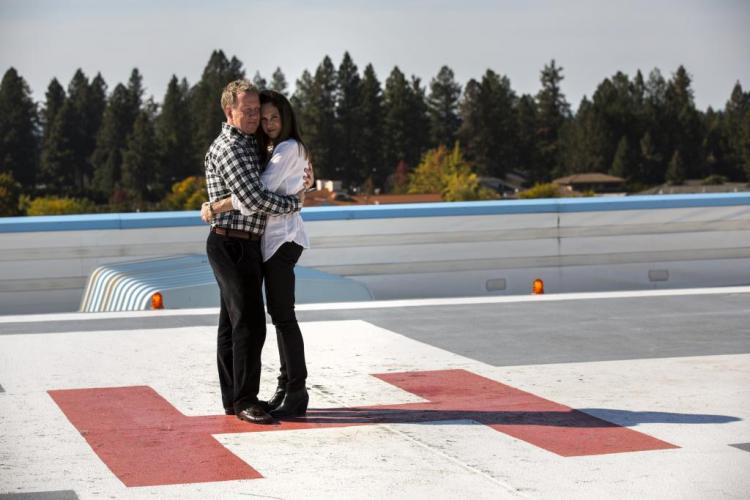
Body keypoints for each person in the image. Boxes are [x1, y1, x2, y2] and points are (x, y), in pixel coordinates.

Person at [203, 80, 307, 425]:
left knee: (232, 325)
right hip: (232, 242)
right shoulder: (232, 147)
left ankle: (235, 398)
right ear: (228, 111)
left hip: (244, 242)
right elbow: (253, 199)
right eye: (247, 111)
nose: (253, 117)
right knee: (248, 324)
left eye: (256, 112)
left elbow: (282, 173)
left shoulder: (251, 143)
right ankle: (245, 399)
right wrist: (293, 203)